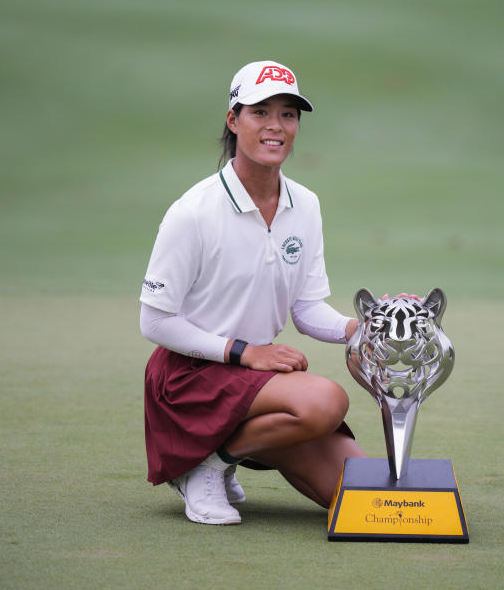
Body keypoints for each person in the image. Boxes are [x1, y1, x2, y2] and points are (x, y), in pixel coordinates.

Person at [139, 60, 366, 525]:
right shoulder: (193, 212)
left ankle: (224, 452)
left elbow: (305, 308)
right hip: (190, 378)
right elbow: (154, 321)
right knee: (325, 401)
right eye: (260, 112)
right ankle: (206, 464)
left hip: (254, 381)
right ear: (233, 120)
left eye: (288, 114)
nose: (275, 127)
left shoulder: (306, 204)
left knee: (358, 492)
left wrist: (357, 331)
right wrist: (246, 354)